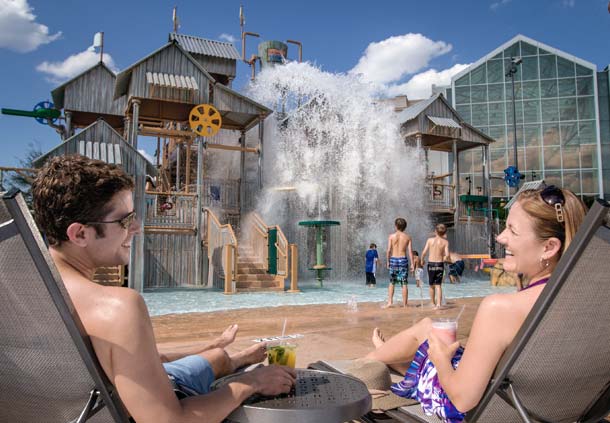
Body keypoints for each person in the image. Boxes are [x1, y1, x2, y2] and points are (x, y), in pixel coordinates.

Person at [31, 155, 296, 423]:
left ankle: (229, 356)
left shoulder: (25, 291)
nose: (136, 228)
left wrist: (209, 345)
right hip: (142, 405)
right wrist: (251, 383)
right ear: (79, 234)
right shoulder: (116, 309)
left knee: (216, 355)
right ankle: (239, 366)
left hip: (91, 405)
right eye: (124, 221)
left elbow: (139, 359)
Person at [365, 186, 587, 422]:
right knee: (436, 340)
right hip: (542, 404)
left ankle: (368, 362)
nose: (501, 238)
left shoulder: (500, 309)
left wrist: (441, 359)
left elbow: (462, 398)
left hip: (473, 404)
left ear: (549, 247)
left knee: (428, 328)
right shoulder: (582, 301)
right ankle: (388, 355)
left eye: (512, 231)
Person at [384, 217, 414, 308]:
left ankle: (390, 302)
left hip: (393, 259)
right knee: (404, 283)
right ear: (405, 227)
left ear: (396, 226)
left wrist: (388, 261)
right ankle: (405, 304)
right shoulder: (407, 237)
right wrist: (412, 263)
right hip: (403, 259)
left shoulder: (391, 236)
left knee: (392, 282)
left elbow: (388, 250)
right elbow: (410, 252)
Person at [421, 224, 450, 309]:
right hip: (440, 264)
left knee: (431, 285)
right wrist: (443, 258)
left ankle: (432, 303)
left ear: (435, 231)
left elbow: (424, 252)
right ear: (444, 233)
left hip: (431, 265)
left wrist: (422, 260)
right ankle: (438, 304)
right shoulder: (445, 242)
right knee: (438, 285)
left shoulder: (430, 240)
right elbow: (447, 255)